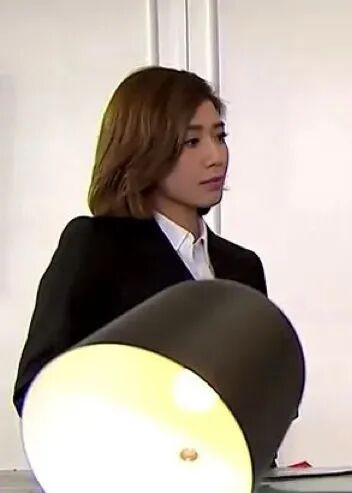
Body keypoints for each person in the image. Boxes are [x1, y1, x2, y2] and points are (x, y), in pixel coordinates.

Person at [12, 66, 266, 415]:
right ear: (145, 148)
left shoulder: (243, 268)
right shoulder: (95, 247)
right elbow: (37, 388)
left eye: (219, 137)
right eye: (192, 142)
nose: (216, 156)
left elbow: (264, 393)